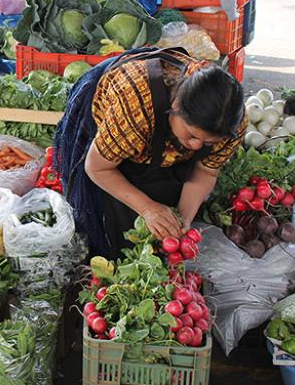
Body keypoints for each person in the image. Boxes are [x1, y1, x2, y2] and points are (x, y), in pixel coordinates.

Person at [54, 47, 246, 258]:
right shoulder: (135, 106)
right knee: (106, 230)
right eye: (191, 135)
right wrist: (147, 208)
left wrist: (182, 220)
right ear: (176, 105)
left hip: (147, 132)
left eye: (208, 142)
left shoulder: (229, 124)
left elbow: (205, 172)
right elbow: (97, 168)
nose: (196, 146)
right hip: (115, 115)